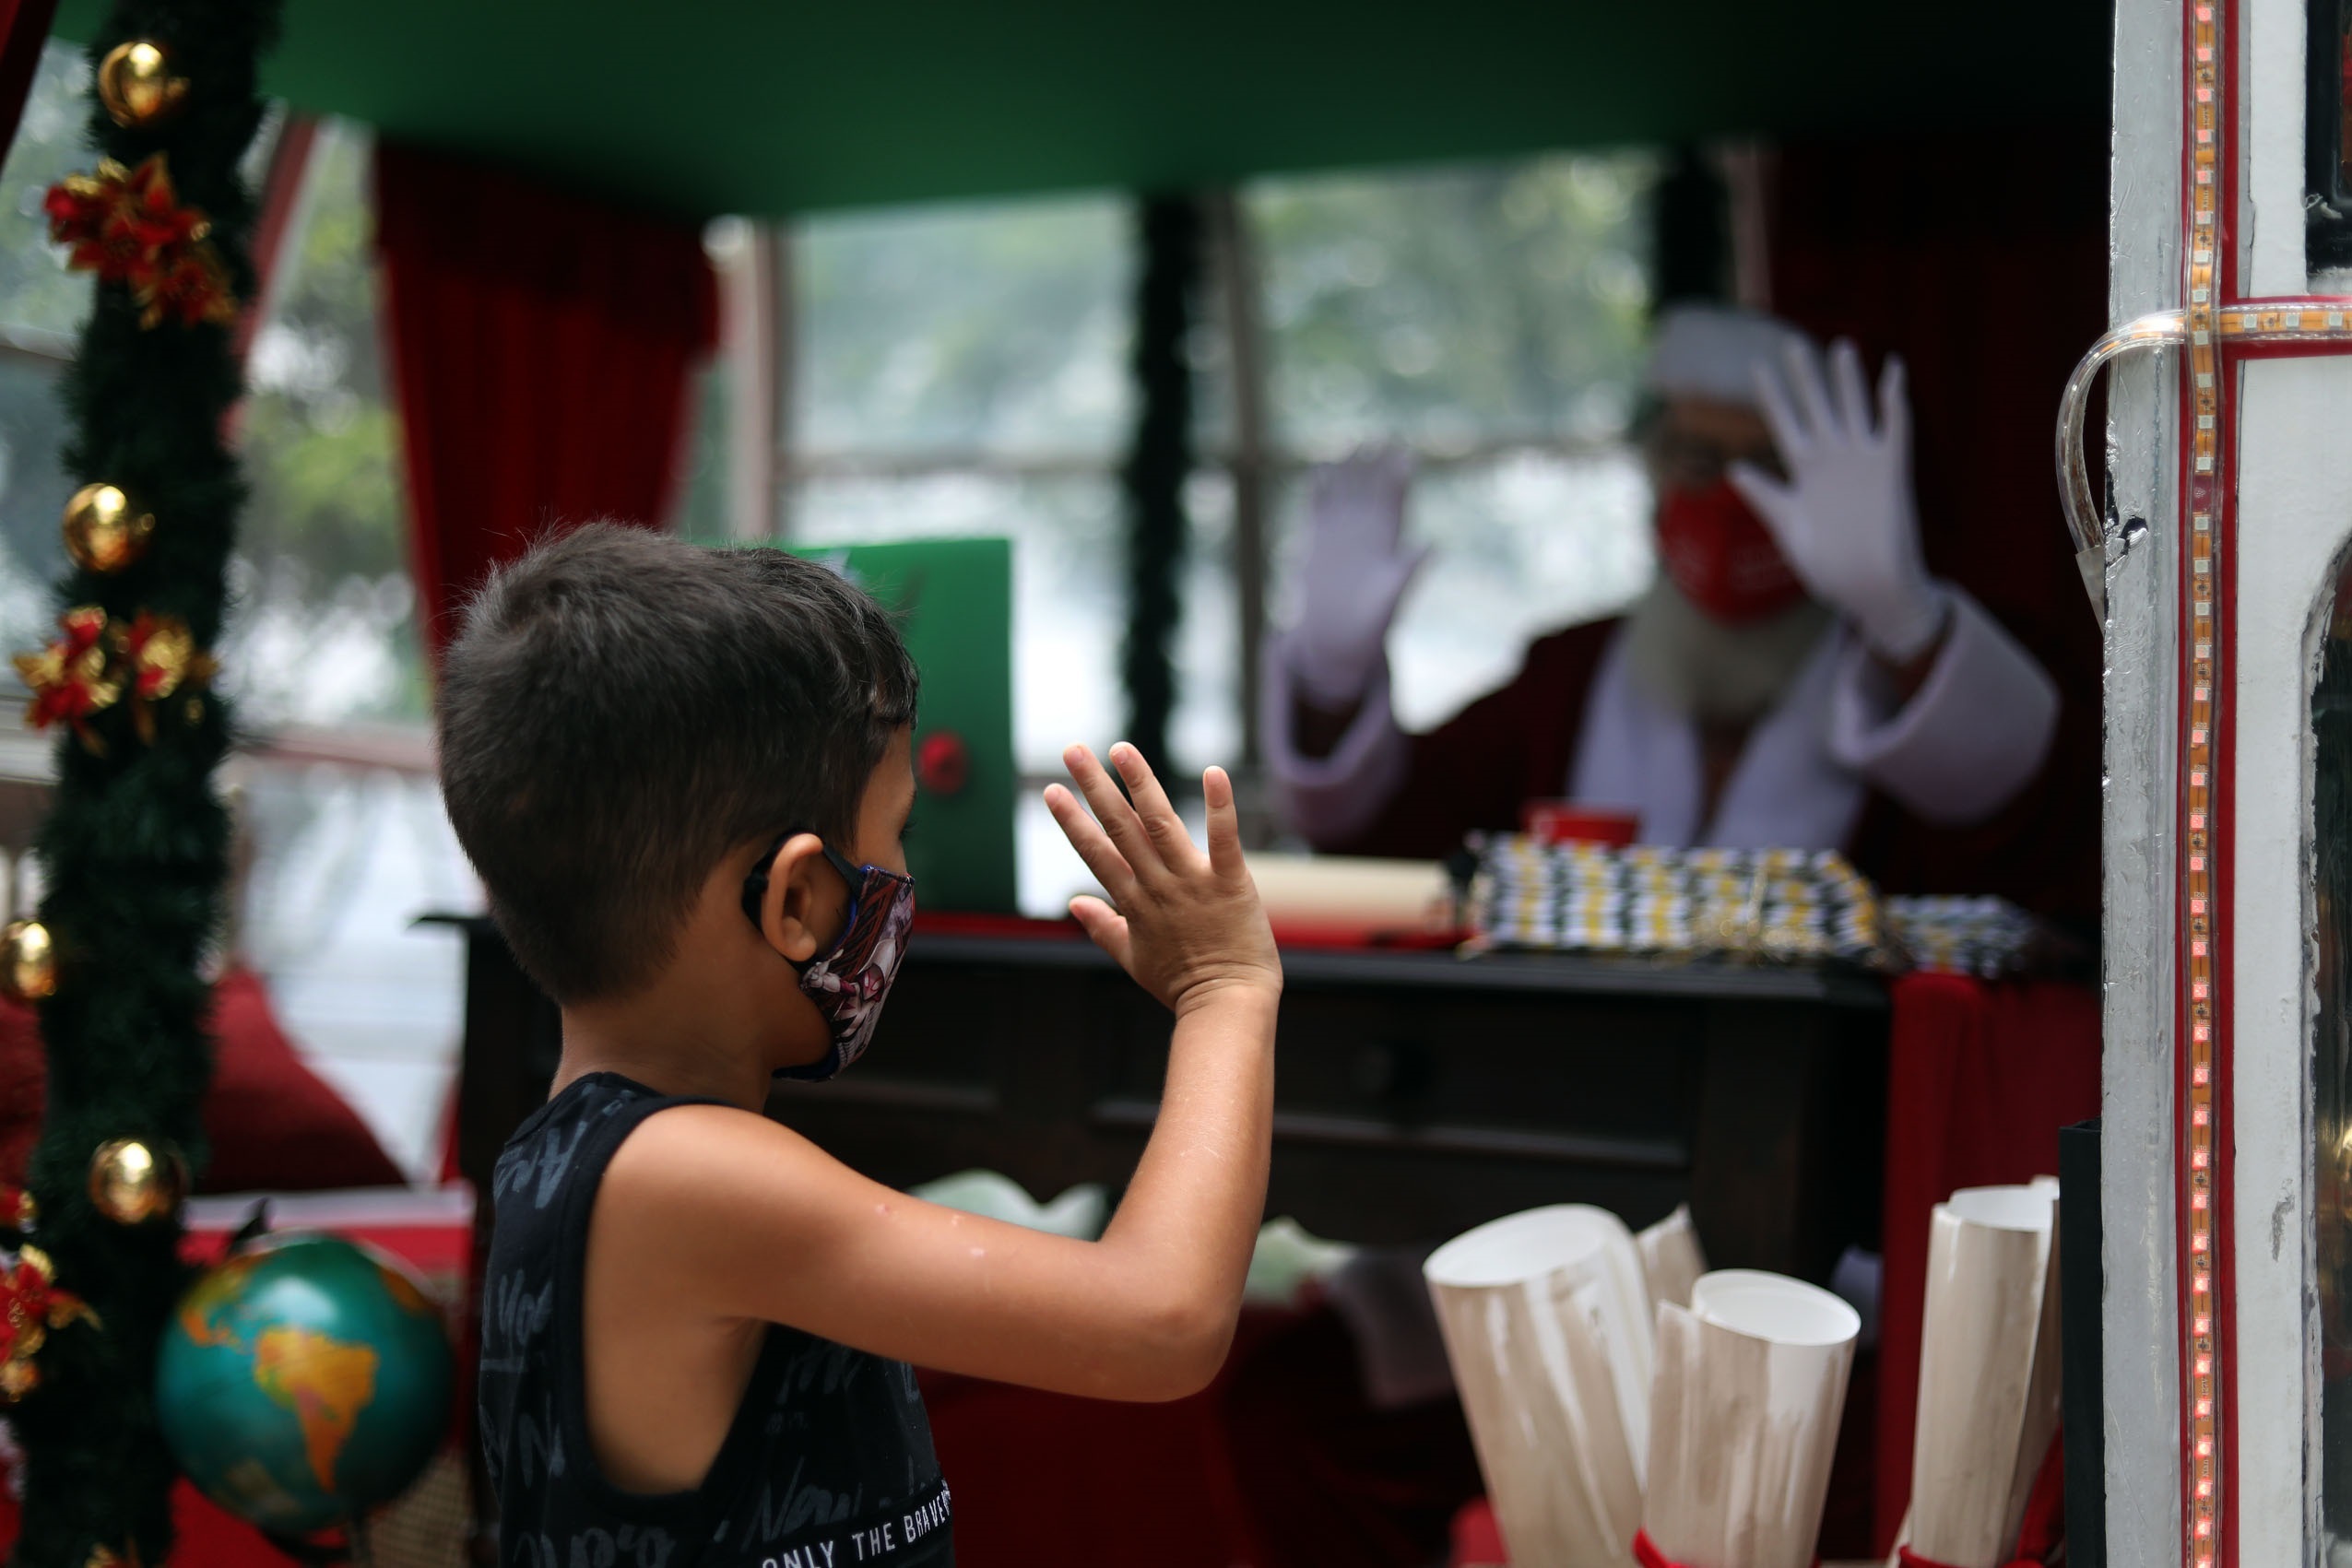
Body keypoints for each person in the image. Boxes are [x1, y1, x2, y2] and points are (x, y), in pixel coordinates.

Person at [449, 525, 1281, 1567]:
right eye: (898, 834)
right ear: (797, 899)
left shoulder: (587, 1158)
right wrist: (1224, 992)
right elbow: (1161, 1323)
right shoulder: (683, 1177)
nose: (902, 873)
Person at [1263, 303, 2062, 867]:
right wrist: (1331, 684)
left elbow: (2025, 830)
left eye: (1769, 468)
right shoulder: (1567, 676)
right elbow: (1393, 838)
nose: (1724, 500)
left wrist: (1904, 624)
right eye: (1696, 459)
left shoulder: (1905, 675)